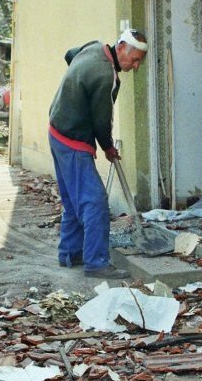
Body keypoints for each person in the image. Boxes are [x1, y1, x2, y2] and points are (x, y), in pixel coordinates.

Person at [48, 29, 148, 279]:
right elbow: (102, 120)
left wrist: (76, 87)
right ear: (121, 47)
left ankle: (70, 253)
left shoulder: (93, 48)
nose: (135, 66)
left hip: (56, 130)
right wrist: (107, 147)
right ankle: (96, 262)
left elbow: (70, 55)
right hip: (73, 139)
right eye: (134, 60)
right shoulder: (106, 76)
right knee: (95, 201)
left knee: (73, 200)